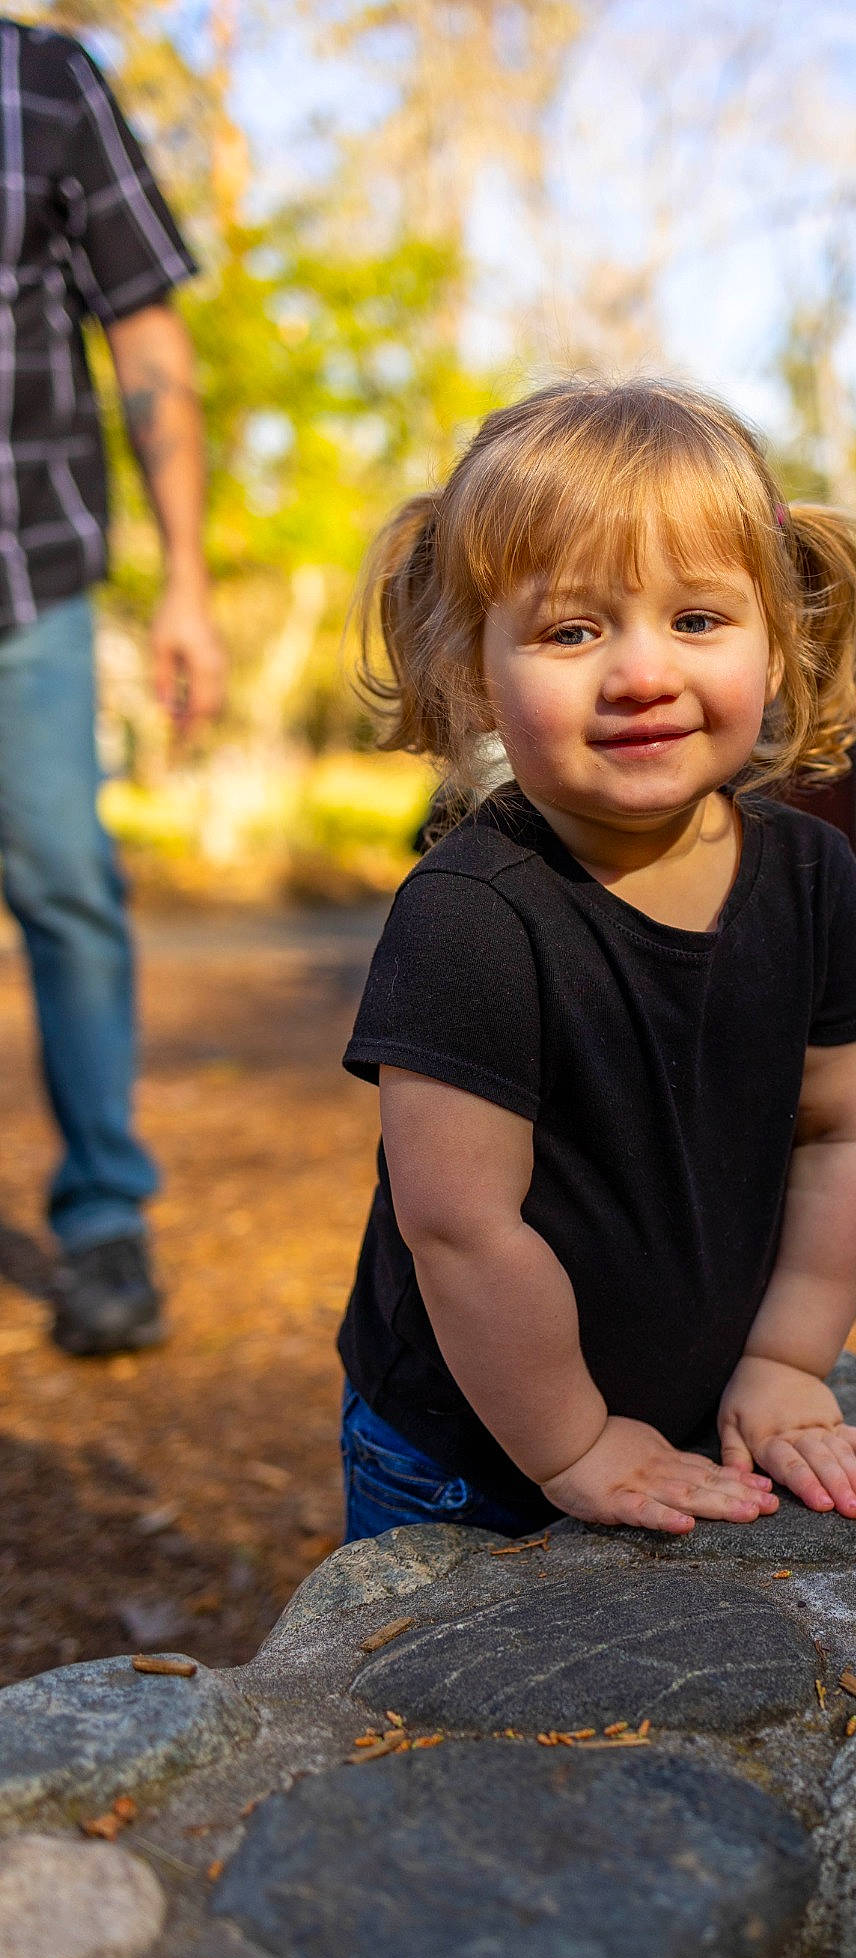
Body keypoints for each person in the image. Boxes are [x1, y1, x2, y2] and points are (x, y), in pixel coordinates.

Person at [337, 378, 856, 1541]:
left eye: (698, 620)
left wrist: (791, 1355)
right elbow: (462, 1226)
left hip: (694, 1418)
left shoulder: (810, 879)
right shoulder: (471, 916)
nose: (643, 673)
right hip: (471, 1450)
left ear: (779, 636)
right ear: (470, 668)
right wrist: (574, 1443)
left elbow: (849, 1128)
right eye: (572, 629)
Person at [0, 21, 224, 1353]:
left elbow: (145, 333)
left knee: (68, 882)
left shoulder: (44, 83)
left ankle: (101, 1219)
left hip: (23, 578)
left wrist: (187, 578)